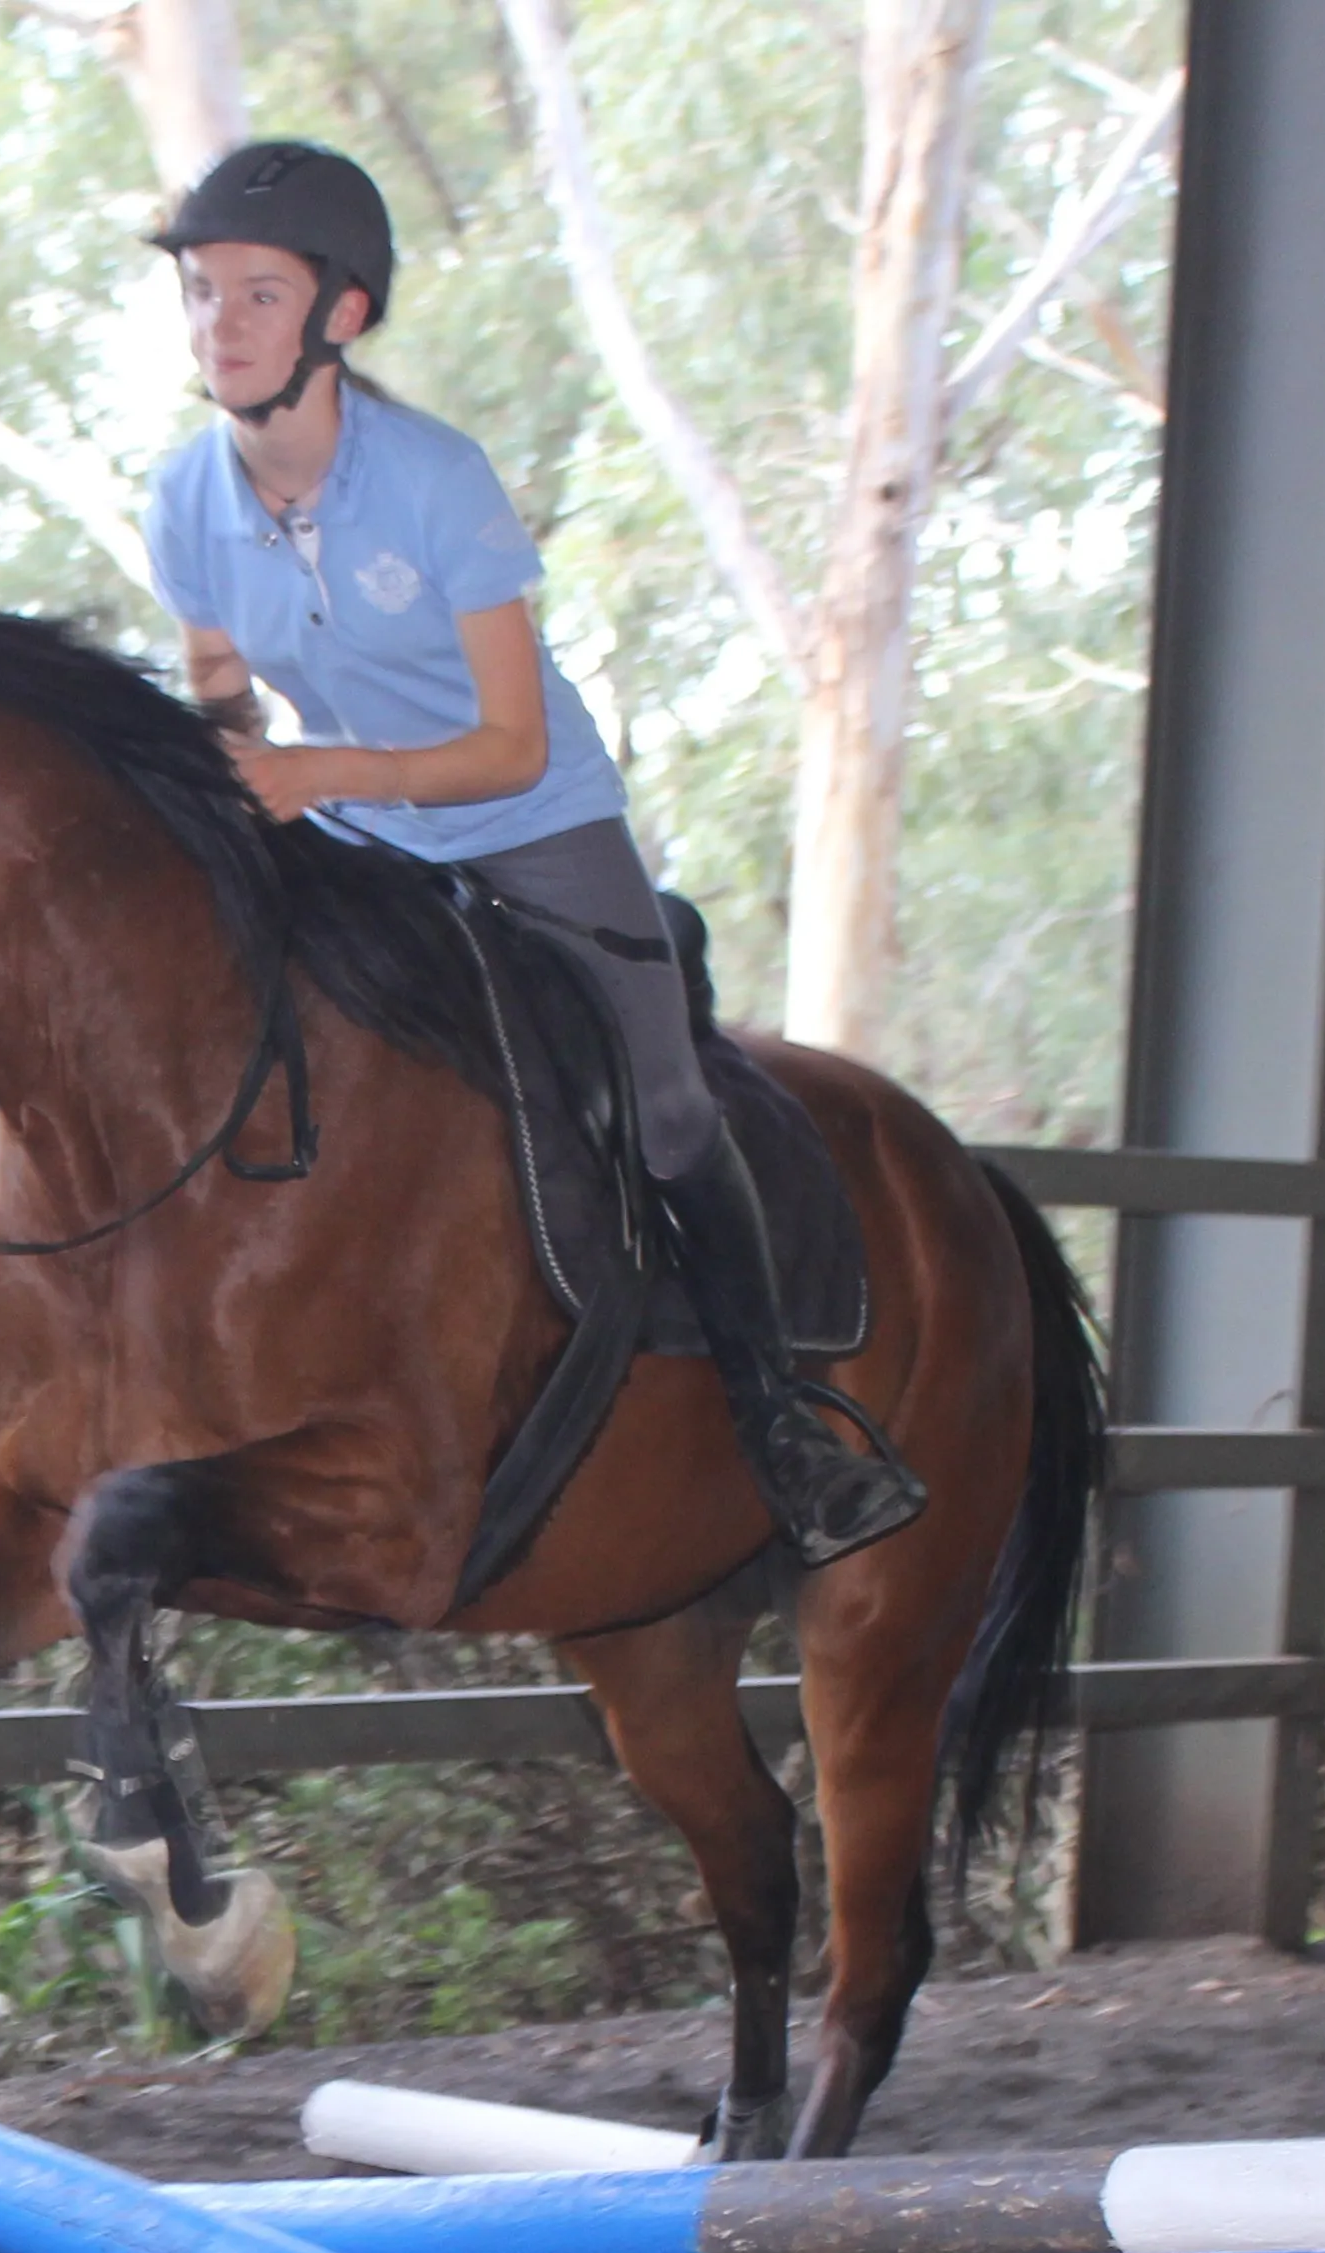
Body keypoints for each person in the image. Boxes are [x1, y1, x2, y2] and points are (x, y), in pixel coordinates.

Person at [140, 140, 923, 1564]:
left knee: (673, 1113)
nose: (220, 325)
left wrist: (316, 772)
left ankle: (785, 1431)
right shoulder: (184, 500)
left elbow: (509, 745)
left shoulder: (436, 481)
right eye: (201, 293)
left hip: (536, 825)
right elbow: (218, 694)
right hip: (362, 833)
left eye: (258, 293)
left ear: (344, 316)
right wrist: (224, 788)